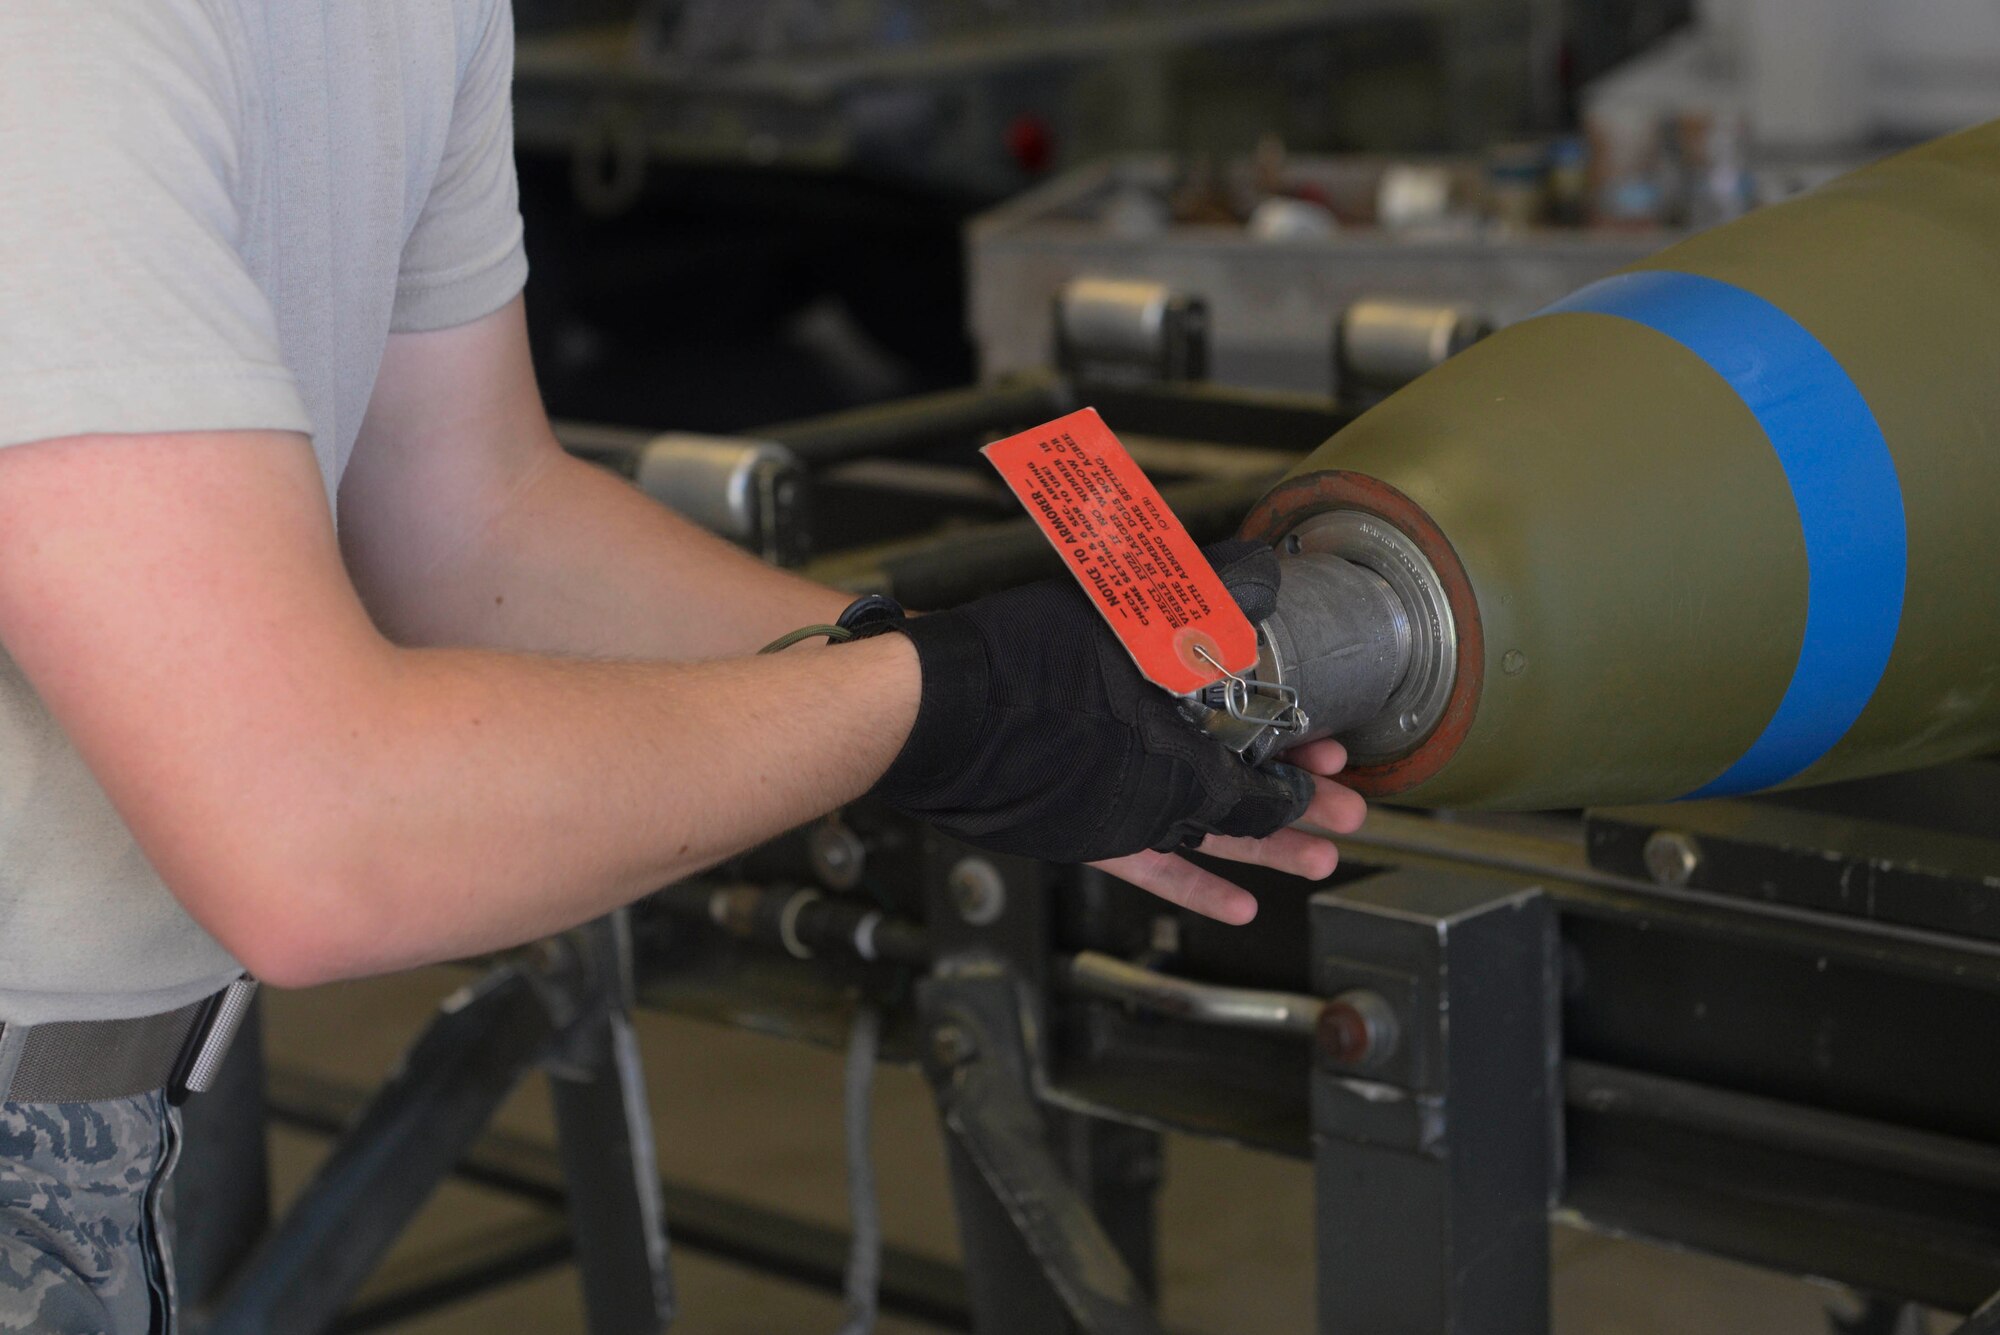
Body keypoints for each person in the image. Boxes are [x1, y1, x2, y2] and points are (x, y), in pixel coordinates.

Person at [0, 2, 1364, 1330]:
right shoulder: (66, 41)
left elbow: (474, 516)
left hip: (97, 1124)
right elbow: (310, 838)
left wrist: (953, 680)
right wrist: (935, 710)